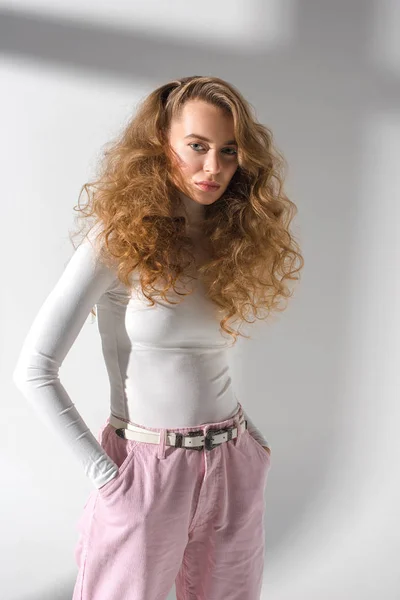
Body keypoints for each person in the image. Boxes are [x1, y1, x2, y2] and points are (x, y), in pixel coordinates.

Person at [13, 75, 303, 600]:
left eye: (228, 152)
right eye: (197, 147)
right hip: (147, 471)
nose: (213, 167)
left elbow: (207, 360)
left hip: (232, 464)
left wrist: (253, 446)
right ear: (159, 144)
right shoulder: (119, 240)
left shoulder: (229, 241)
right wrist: (108, 479)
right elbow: (34, 369)